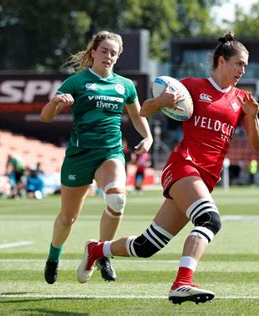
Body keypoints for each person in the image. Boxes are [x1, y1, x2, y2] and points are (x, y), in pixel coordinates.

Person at [77, 31, 259, 304]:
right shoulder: (192, 86)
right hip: (183, 167)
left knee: (146, 246)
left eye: (245, 65)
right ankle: (182, 283)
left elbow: (257, 144)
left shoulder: (242, 99)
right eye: (239, 63)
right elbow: (144, 110)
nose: (243, 70)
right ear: (222, 61)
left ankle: (97, 249)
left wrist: (253, 117)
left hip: (206, 177)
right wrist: (162, 102)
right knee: (210, 220)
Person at [40, 31, 153, 285]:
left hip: (110, 153)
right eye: (104, 51)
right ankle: (53, 257)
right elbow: (45, 117)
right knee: (68, 217)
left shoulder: (125, 85)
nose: (109, 56)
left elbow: (136, 115)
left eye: (114, 53)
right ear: (93, 51)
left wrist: (148, 137)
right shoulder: (77, 82)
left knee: (117, 199)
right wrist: (56, 101)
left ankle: (103, 254)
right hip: (79, 155)